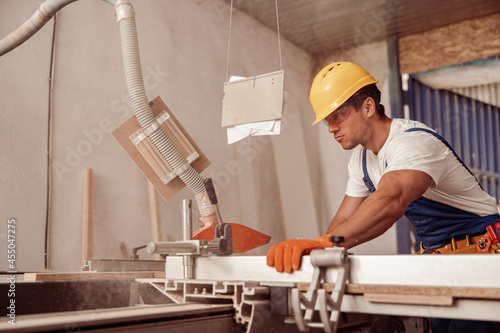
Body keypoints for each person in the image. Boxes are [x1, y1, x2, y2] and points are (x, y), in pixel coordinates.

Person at [266, 61, 500, 332]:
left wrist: (323, 245)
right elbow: (345, 218)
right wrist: (318, 257)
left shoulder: (413, 142)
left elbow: (391, 199)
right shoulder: (361, 159)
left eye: (338, 116)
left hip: (482, 259)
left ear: (367, 106)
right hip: (438, 266)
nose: (331, 128)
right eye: (327, 120)